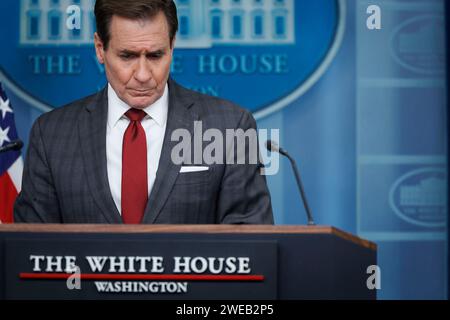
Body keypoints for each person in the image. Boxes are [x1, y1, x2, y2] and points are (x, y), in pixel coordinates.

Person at [14, 0, 273, 224]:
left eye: (155, 56)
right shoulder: (50, 135)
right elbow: (32, 252)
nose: (142, 75)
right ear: (100, 49)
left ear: (172, 46)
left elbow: (248, 244)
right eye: (127, 56)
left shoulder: (231, 127)